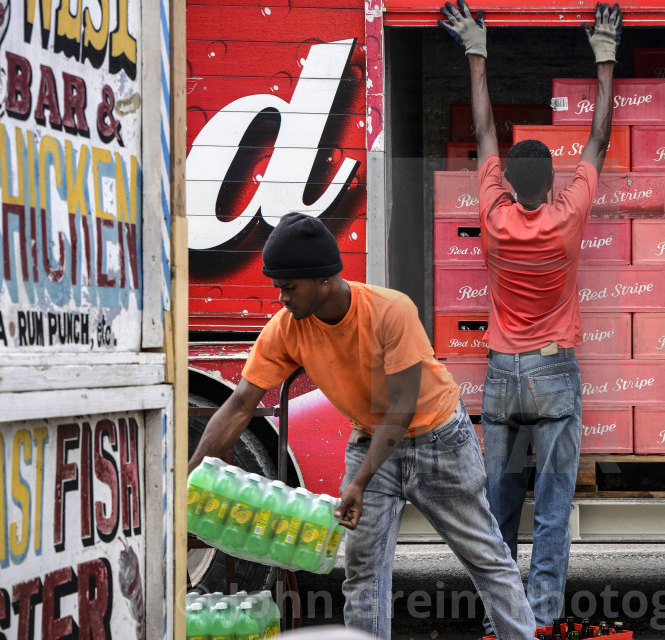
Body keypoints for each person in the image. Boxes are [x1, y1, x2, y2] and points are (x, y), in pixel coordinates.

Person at [187, 212, 536, 640]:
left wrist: (359, 482)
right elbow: (240, 404)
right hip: (372, 440)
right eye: (279, 286)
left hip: (438, 440)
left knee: (486, 558)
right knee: (363, 573)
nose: (281, 297)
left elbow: (403, 406)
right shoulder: (287, 328)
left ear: (324, 280)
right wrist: (193, 471)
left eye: (289, 287)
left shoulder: (391, 311)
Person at [439, 0, 622, 627]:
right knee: (551, 506)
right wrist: (604, 57)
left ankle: (499, 623)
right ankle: (540, 621)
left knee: (497, 507)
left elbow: (484, 131)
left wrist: (477, 48)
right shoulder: (569, 217)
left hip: (502, 378)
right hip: (552, 378)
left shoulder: (493, 218)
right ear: (553, 183)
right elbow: (598, 138)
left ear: (510, 183)